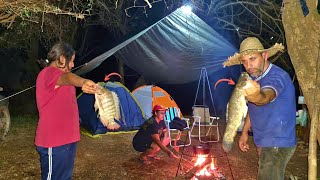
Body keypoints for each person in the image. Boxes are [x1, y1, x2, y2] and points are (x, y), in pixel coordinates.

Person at [224, 37, 296, 180]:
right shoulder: (256, 78)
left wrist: (255, 95)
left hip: (277, 142)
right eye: (244, 61)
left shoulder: (277, 77)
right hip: (265, 140)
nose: (249, 65)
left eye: (252, 59)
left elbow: (265, 98)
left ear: (265, 55)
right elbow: (253, 108)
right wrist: (244, 132)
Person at [35, 42, 97, 180]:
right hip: (54, 140)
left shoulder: (61, 77)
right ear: (62, 59)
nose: (73, 65)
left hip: (68, 139)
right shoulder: (48, 73)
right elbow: (67, 78)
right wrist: (83, 82)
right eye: (72, 61)